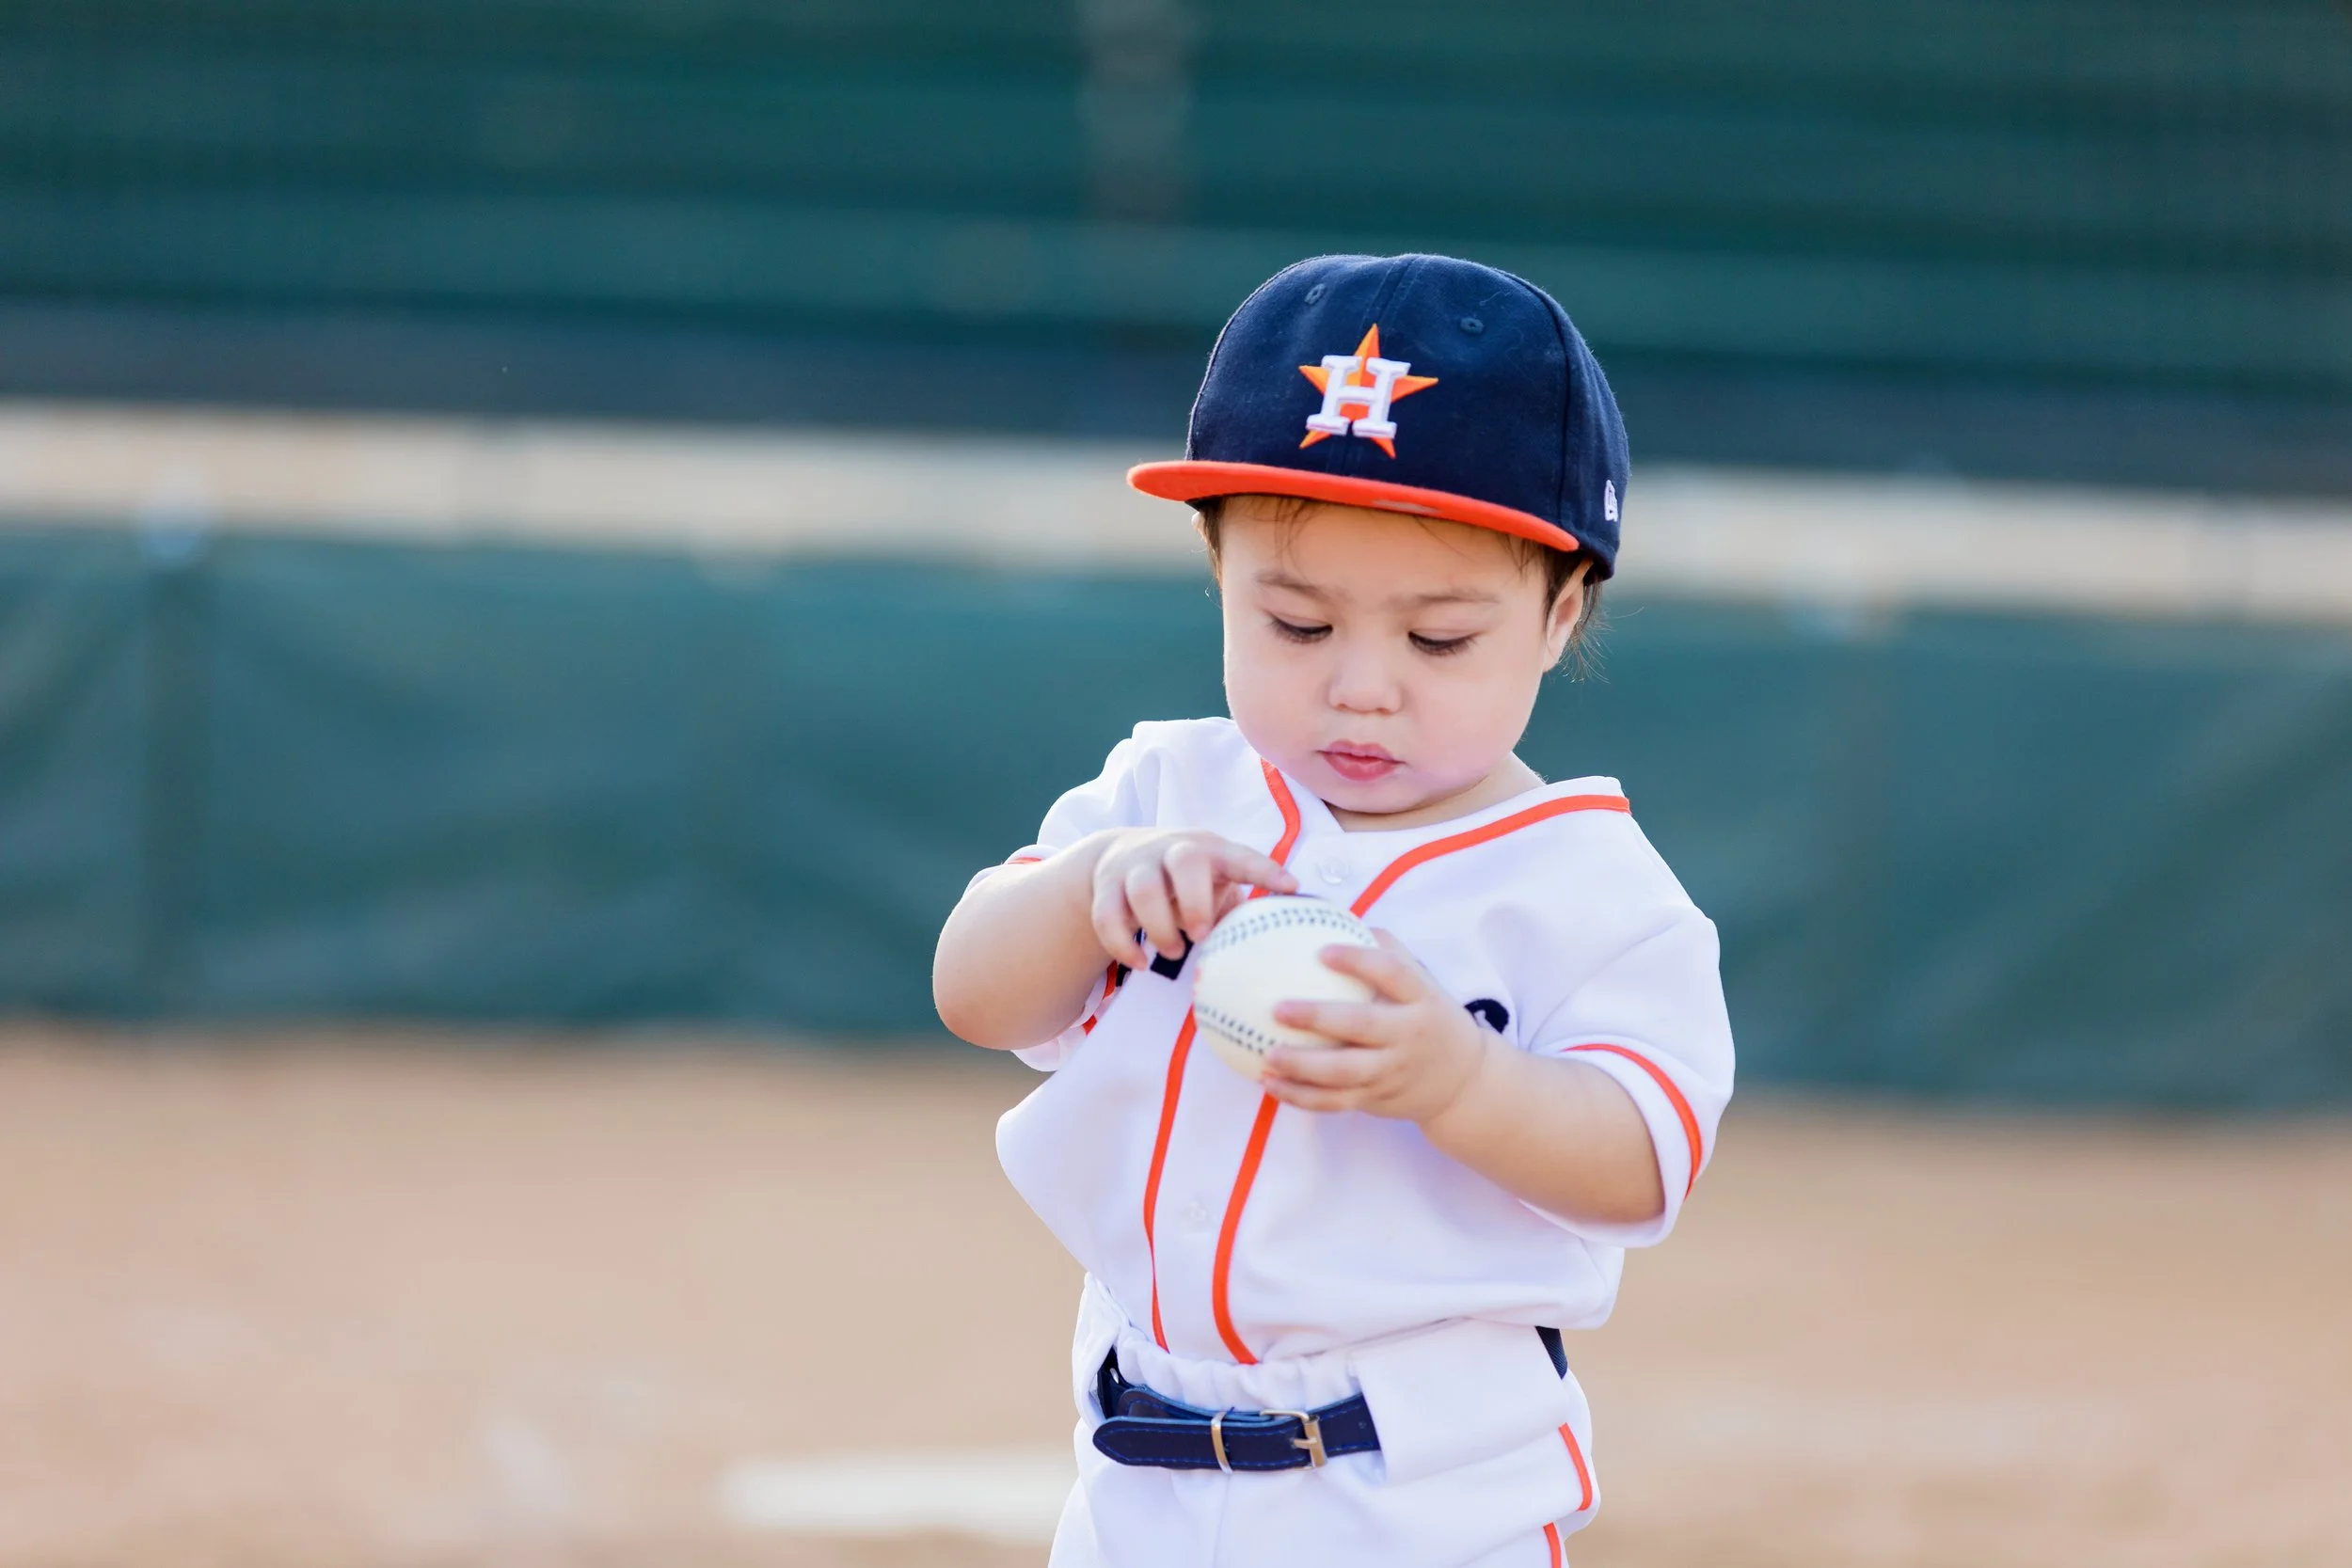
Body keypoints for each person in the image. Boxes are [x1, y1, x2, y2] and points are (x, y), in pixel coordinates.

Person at [933, 253, 1735, 1567]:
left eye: (1438, 641)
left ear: (1559, 613)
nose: (1363, 687)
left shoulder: (1590, 886)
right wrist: (1090, 891)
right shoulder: (1168, 789)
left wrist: (1458, 1077)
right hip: (1139, 1478)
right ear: (1218, 575)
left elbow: (1645, 1160)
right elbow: (972, 991)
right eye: (1297, 623)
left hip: (1423, 1495)